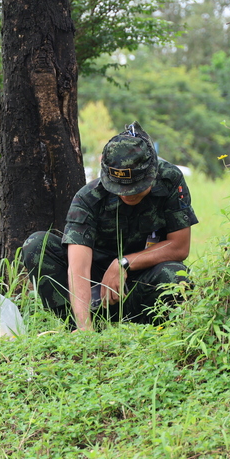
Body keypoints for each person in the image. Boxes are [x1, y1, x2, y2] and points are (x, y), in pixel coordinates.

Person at [21, 122, 198, 331]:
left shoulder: (169, 180)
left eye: (135, 188)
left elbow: (179, 247)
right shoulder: (88, 198)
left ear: (152, 173)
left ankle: (156, 333)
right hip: (93, 290)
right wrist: (84, 326)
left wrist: (123, 263)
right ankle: (79, 326)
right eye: (119, 187)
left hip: (140, 285)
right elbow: (78, 268)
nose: (126, 194)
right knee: (36, 246)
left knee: (177, 276)